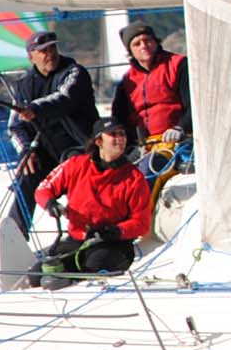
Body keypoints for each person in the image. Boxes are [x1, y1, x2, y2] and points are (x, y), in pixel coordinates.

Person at [29, 118, 153, 287]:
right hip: (76, 240)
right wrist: (51, 204)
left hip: (112, 244)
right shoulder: (75, 165)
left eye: (122, 134)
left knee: (91, 269)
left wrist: (115, 231)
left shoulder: (134, 178)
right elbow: (43, 189)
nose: (120, 138)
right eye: (114, 134)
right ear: (99, 141)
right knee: (36, 276)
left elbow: (142, 223)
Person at [5, 30, 95, 222]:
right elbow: (15, 127)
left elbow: (65, 98)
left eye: (53, 48)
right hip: (45, 152)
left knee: (76, 170)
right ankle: (16, 231)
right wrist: (26, 150)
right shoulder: (22, 86)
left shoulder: (74, 72)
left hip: (79, 148)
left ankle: (81, 229)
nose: (50, 53)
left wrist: (34, 109)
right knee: (27, 172)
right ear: (31, 56)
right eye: (43, 50)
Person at [108, 21, 192, 149]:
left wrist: (181, 128)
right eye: (137, 44)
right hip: (141, 145)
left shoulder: (178, 65)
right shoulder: (127, 81)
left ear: (156, 42)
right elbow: (119, 118)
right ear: (130, 51)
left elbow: (193, 105)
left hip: (176, 140)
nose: (144, 46)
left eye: (147, 40)